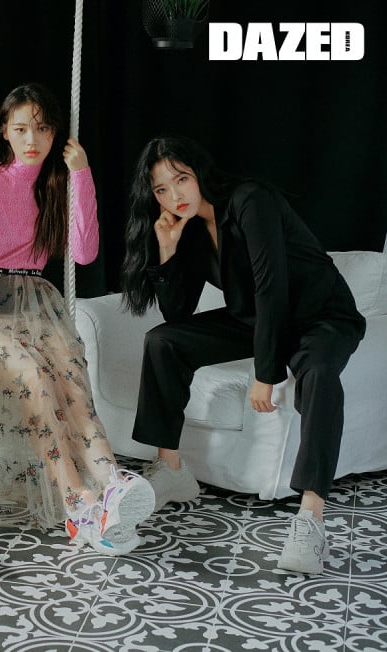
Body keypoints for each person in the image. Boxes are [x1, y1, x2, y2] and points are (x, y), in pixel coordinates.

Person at [0, 83, 155, 555]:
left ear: (56, 135)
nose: (32, 140)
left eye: (43, 129)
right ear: (4, 132)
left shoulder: (58, 185)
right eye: (21, 129)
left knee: (72, 378)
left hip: (35, 300)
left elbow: (85, 252)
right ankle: (77, 502)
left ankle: (111, 484)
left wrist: (82, 174)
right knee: (33, 377)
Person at [120, 135, 366, 574]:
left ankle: (311, 516)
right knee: (163, 341)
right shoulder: (189, 227)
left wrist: (265, 373)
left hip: (320, 316)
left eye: (181, 179)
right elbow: (178, 314)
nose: (175, 195)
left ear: (199, 173)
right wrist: (167, 250)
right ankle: (171, 469)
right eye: (161, 189)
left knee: (319, 372)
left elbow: (273, 288)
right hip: (255, 319)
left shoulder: (251, 200)